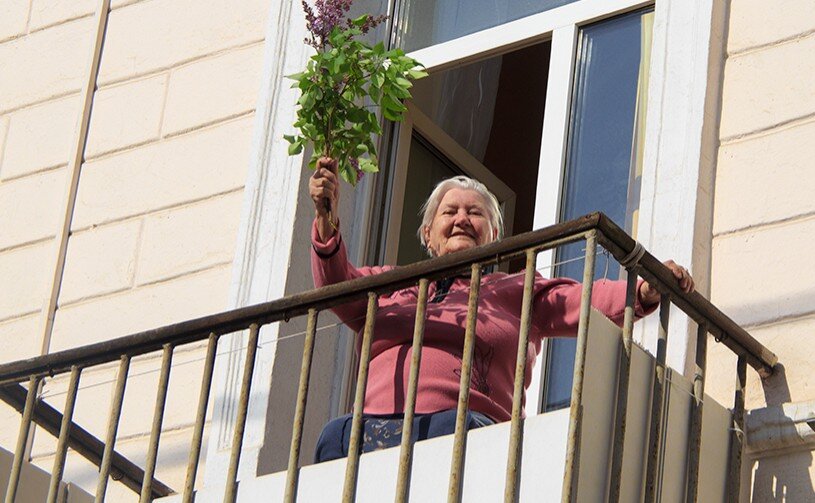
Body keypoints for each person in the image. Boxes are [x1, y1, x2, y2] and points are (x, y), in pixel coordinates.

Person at [308, 157, 694, 463]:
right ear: (428, 233)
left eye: (475, 213)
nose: (462, 219)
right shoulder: (391, 284)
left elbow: (583, 300)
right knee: (333, 436)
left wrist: (643, 289)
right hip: (374, 435)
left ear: (494, 235)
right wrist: (326, 221)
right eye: (450, 212)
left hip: (466, 431)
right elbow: (338, 286)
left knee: (453, 432)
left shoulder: (515, 289)